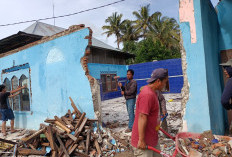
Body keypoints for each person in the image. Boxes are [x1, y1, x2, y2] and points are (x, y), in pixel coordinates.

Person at [131, 68, 168, 157]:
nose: (165, 85)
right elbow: (142, 117)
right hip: (144, 142)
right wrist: (141, 140)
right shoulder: (147, 94)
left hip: (152, 138)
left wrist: (157, 126)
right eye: (165, 82)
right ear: (158, 81)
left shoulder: (154, 92)